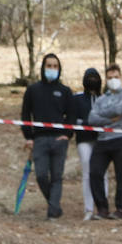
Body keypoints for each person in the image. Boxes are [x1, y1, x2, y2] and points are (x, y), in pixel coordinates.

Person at [20, 53, 73, 219]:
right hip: (39, 140)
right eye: (49, 66)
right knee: (41, 175)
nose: (52, 69)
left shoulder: (65, 91)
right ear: (43, 68)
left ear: (59, 69)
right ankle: (55, 206)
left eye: (55, 66)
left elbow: (71, 116)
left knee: (57, 176)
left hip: (59, 140)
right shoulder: (33, 90)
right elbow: (25, 114)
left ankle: (52, 211)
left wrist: (67, 135)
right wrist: (29, 137)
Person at [87, 64, 122, 220]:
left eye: (116, 77)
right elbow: (92, 119)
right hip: (103, 139)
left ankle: (121, 209)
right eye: (110, 78)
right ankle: (102, 208)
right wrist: (110, 119)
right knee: (94, 172)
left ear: (121, 78)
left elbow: (120, 110)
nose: (113, 80)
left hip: (121, 138)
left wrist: (103, 117)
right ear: (105, 80)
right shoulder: (101, 99)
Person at [72, 67, 103, 220]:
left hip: (101, 139)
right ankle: (88, 208)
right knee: (87, 171)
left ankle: (102, 207)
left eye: (95, 77)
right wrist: (86, 123)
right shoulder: (77, 98)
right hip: (84, 139)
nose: (92, 81)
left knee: (101, 173)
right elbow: (73, 119)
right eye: (89, 77)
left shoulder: (103, 99)